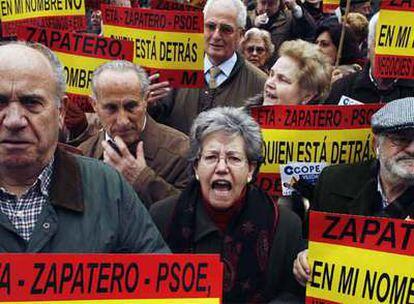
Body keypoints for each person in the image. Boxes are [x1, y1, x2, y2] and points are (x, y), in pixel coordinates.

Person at [0, 41, 168, 253]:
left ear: (61, 112)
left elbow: (157, 277)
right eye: (0, 102)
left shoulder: (107, 186)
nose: (14, 121)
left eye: (31, 103)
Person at [150, 107, 304, 303]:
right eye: (211, 157)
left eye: (233, 158)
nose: (222, 168)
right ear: (196, 167)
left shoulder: (285, 225)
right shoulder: (162, 217)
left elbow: (292, 295)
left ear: (250, 170)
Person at [293, 97, 414, 286]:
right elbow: (309, 240)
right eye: (401, 139)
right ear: (376, 145)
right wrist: (304, 259)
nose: (412, 149)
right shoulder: (334, 182)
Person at [79, 61, 190, 207]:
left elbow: (192, 217)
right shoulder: (82, 156)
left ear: (146, 100)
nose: (123, 121)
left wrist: (142, 180)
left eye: (131, 106)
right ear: (94, 105)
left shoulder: (182, 152)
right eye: (111, 108)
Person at [149, 0, 267, 135]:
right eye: (210, 26)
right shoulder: (175, 69)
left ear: (240, 35)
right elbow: (157, 123)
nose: (216, 36)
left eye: (226, 29)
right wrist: (149, 106)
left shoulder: (260, 84)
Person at [323, 13, 414, 104]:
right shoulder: (343, 88)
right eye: (381, 45)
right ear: (370, 46)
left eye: (396, 47)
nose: (387, 53)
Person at [246, 39, 332, 108]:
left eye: (282, 79)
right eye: (271, 74)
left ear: (307, 97)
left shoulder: (324, 130)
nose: (269, 83)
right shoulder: (237, 126)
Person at [249, 0, 317, 64]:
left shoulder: (289, 18)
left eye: (271, 4)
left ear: (279, 3)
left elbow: (310, 33)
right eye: (263, 3)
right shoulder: (248, 17)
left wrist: (295, 8)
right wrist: (253, 26)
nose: (266, 7)